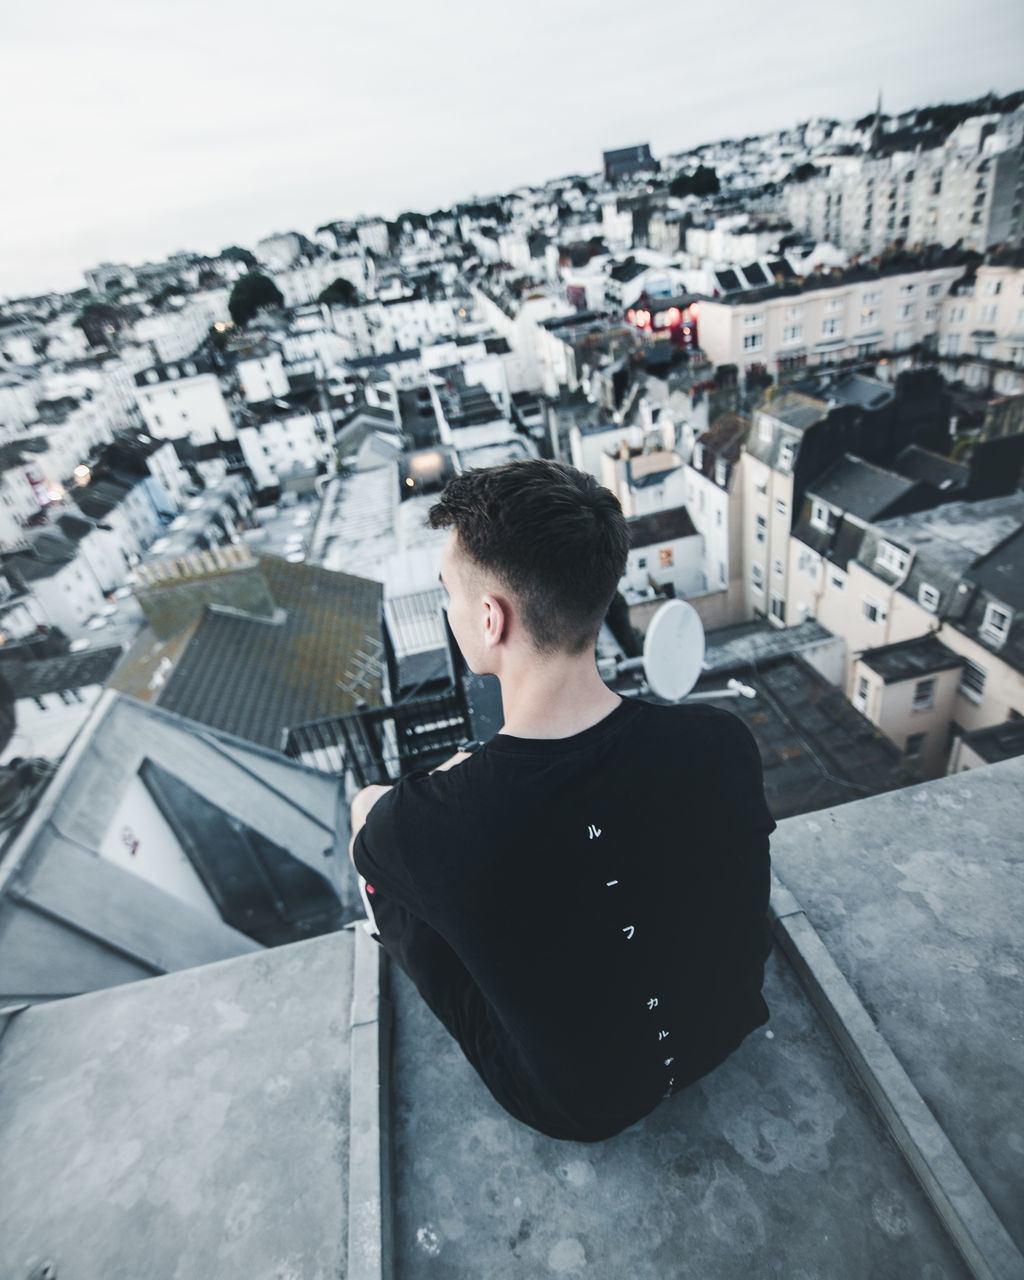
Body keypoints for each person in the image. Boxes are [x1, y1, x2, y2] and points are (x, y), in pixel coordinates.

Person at [349, 459, 774, 1142]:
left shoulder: (431, 825)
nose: (450, 611)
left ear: (490, 619)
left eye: (449, 595)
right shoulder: (722, 742)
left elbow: (367, 838)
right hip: (725, 1031)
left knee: (379, 840)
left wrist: (412, 794)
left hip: (576, 1109)